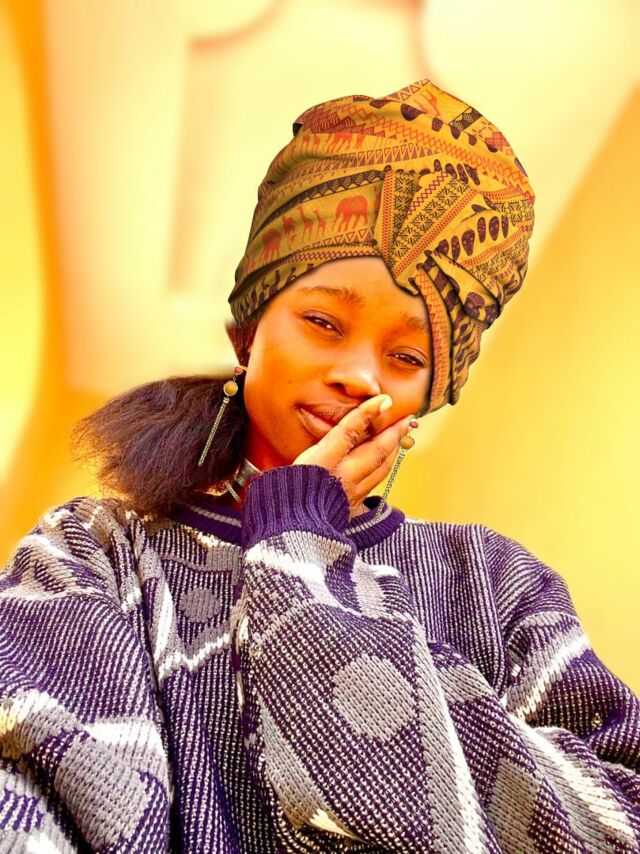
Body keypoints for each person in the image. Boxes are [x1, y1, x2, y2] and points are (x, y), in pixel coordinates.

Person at [1, 78, 639, 853]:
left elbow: (620, 820)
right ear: (248, 334)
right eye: (323, 322)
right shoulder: (93, 551)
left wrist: (299, 540)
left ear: (429, 394)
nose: (362, 376)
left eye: (406, 357)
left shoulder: (497, 582)